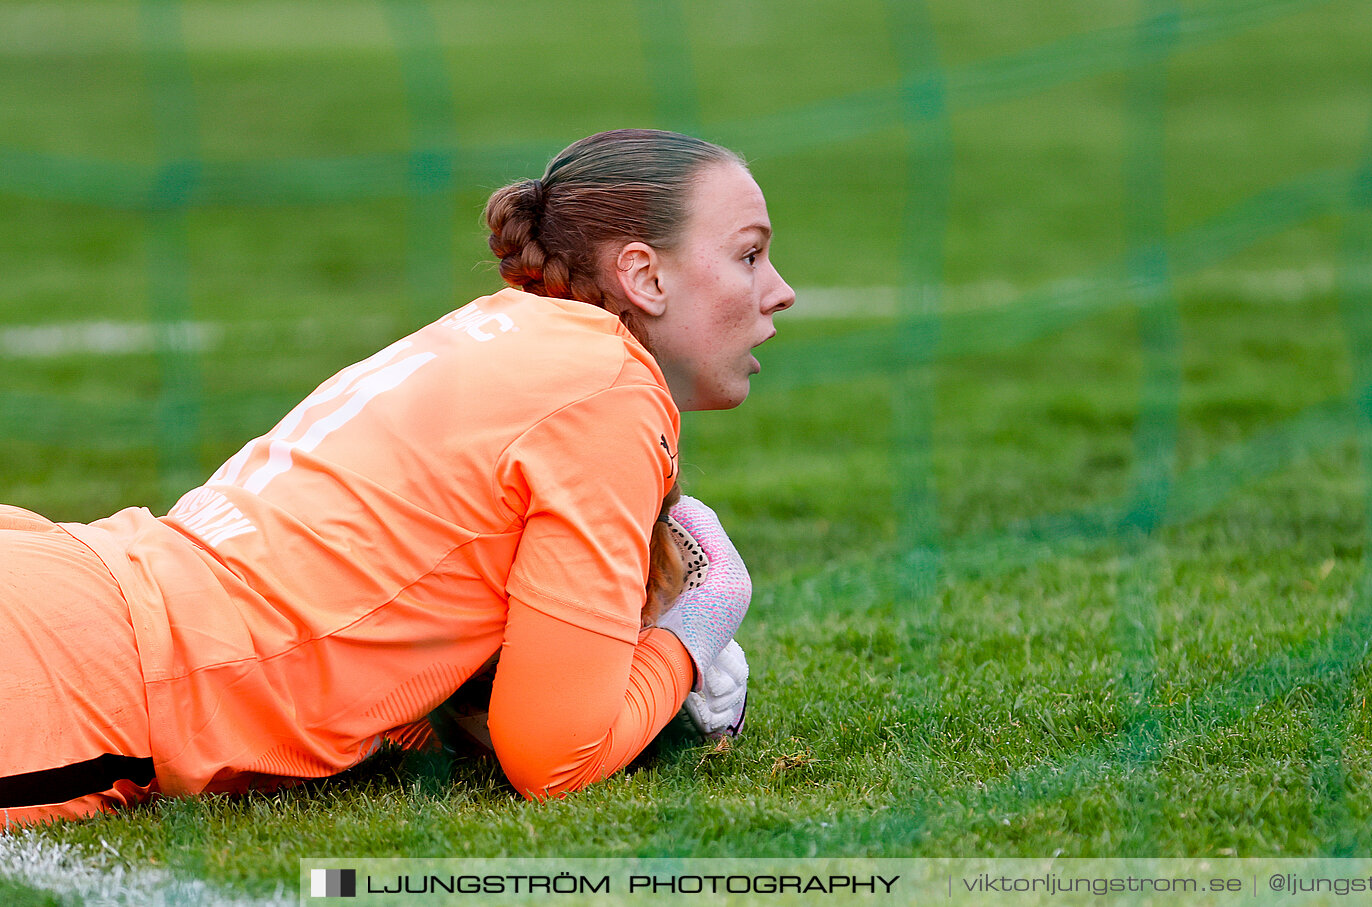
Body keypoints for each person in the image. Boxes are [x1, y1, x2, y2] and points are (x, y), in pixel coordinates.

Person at [0, 128, 794, 829]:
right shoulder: (609, 390)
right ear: (645, 276)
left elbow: (369, 604)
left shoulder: (500, 329)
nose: (778, 290)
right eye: (749, 254)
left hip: (70, 569)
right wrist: (700, 619)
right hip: (89, 677)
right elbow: (555, 758)